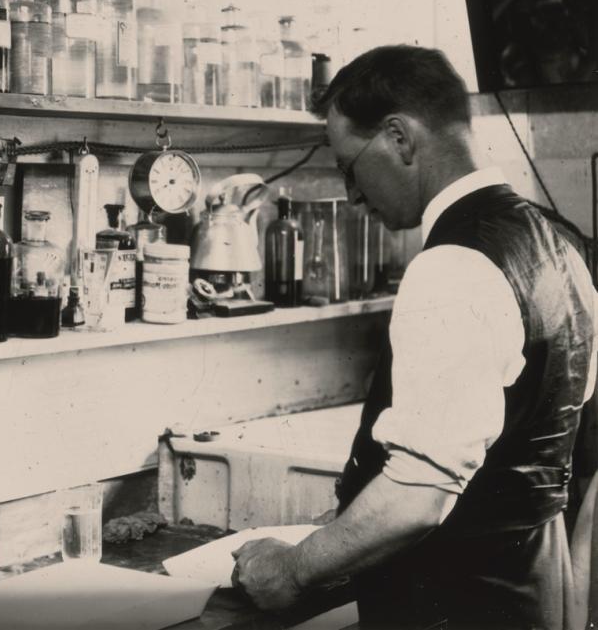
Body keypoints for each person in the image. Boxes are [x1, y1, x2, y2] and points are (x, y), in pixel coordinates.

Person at [230, 45, 598, 629]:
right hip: (538, 587)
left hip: (457, 600)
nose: (352, 194)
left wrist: (293, 568)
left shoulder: (455, 263)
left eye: (349, 167)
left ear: (400, 139)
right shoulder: (561, 246)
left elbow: (419, 494)